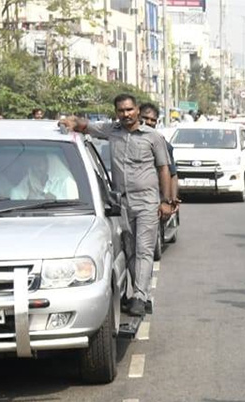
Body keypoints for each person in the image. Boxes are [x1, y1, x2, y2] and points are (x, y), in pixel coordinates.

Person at [58, 93, 174, 317]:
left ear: (137, 110)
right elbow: (86, 126)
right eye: (121, 111)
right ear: (116, 112)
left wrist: (166, 201)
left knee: (144, 249)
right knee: (129, 250)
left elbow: (164, 169)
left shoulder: (153, 137)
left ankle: (139, 296)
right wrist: (70, 122)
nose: (126, 114)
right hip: (121, 202)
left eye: (129, 110)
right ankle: (140, 293)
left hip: (148, 201)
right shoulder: (112, 131)